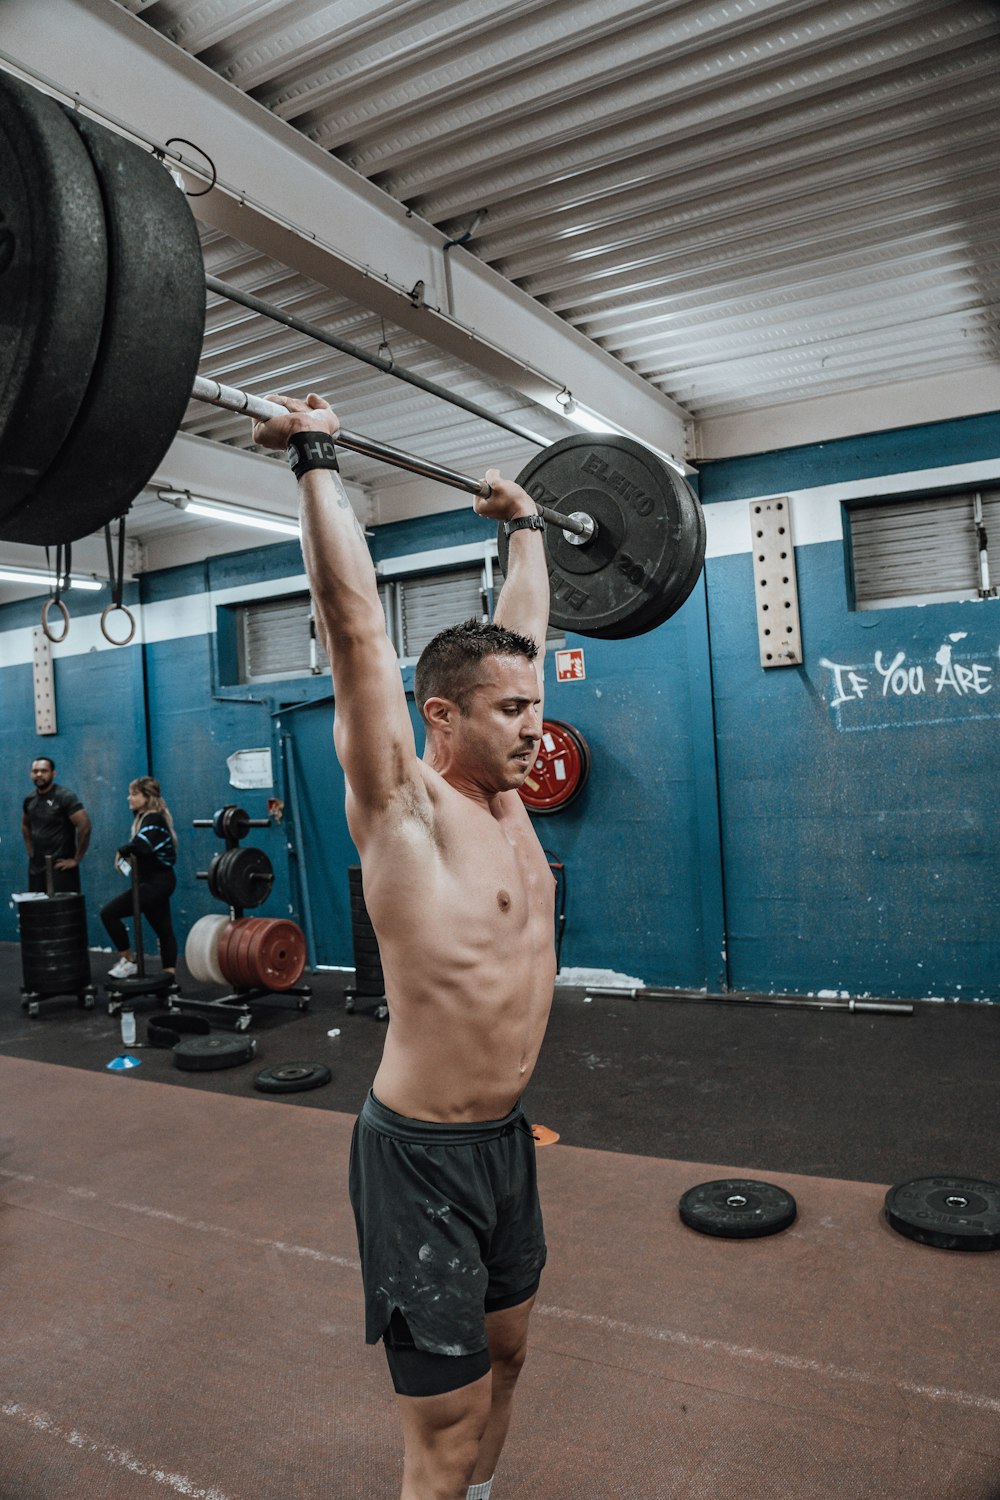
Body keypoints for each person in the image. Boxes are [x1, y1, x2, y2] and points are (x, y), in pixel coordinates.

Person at [253, 394, 556, 1500]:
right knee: (443, 1419)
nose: (536, 727)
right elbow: (352, 627)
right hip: (420, 1161)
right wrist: (319, 463)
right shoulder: (404, 813)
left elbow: (523, 634)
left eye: (535, 704)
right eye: (512, 711)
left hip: (505, 1145)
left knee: (511, 1358)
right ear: (439, 717)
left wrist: (524, 527)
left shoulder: (511, 795)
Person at [100, 776, 178, 982]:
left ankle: (128, 962)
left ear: (147, 797)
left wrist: (121, 850)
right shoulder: (145, 819)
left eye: (134, 794)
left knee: (108, 913)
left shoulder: (153, 819)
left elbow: (141, 847)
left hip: (157, 883)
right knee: (164, 930)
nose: (129, 798)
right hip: (155, 882)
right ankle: (168, 981)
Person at [21, 756, 91, 894]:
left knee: (63, 912)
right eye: (35, 771)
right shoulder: (29, 800)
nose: (39, 774)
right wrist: (30, 850)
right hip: (37, 868)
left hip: (61, 868)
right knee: (38, 912)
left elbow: (85, 826)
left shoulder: (65, 797)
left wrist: (76, 859)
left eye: (44, 771)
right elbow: (25, 825)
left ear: (53, 773)